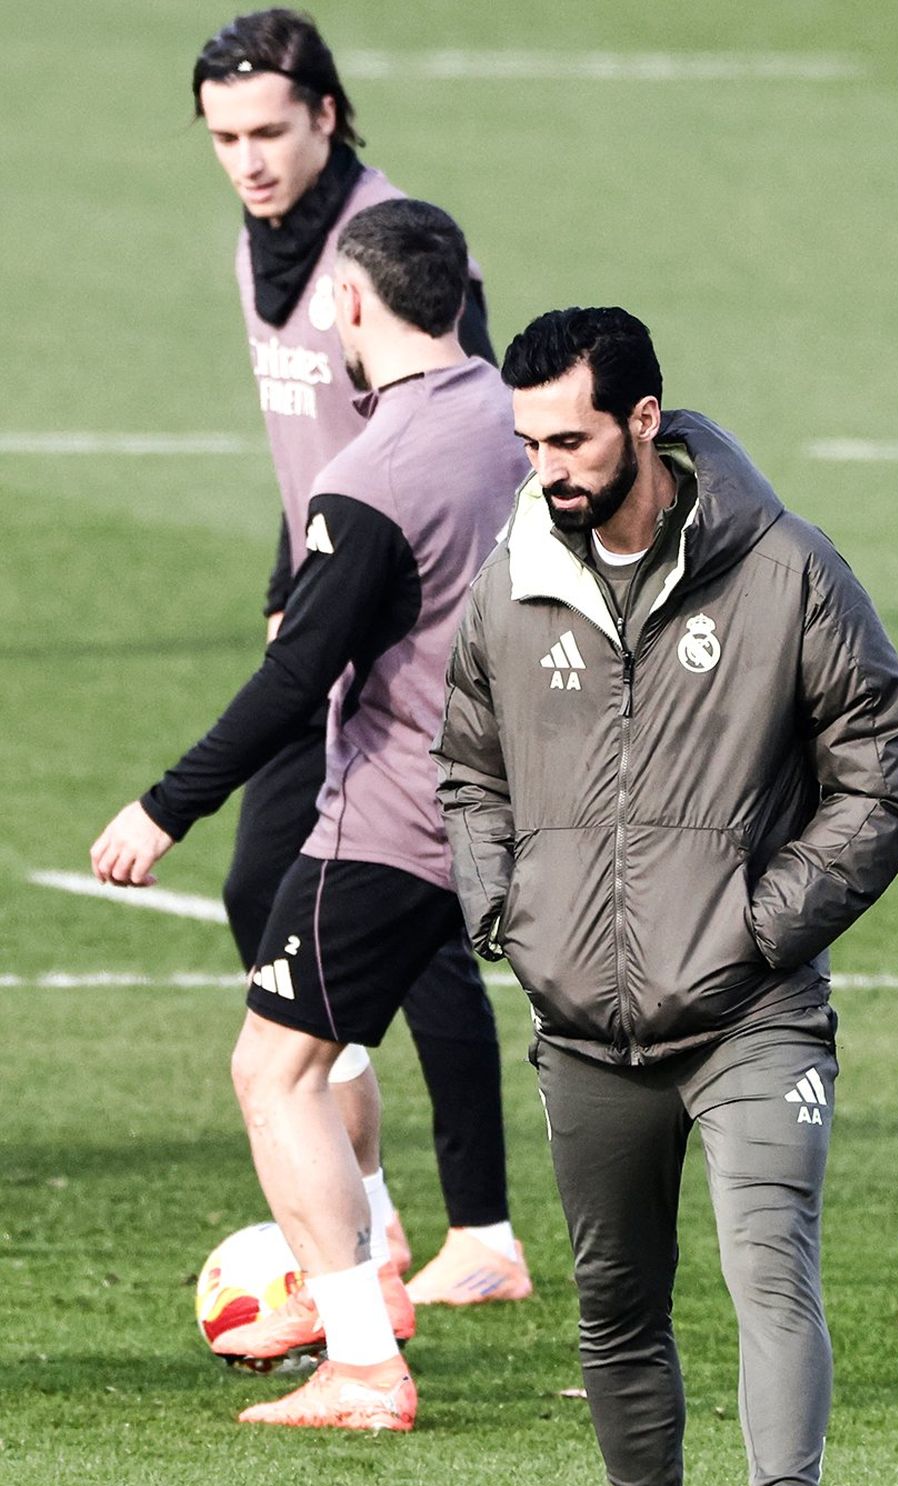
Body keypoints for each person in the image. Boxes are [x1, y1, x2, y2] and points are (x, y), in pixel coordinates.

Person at [433, 307, 898, 1486]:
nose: (546, 469)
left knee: (770, 1272)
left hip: (751, 1018)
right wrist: (504, 906)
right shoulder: (512, 585)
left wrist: (764, 927)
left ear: (644, 421)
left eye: (571, 441)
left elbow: (890, 772)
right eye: (530, 445)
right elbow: (468, 763)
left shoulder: (786, 571)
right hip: (584, 1030)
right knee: (613, 1310)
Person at [91, 199, 531, 1428]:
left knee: (271, 1072)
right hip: (505, 808)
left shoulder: (370, 475)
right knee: (322, 1050)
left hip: (389, 818)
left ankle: (362, 1362)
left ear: (350, 304)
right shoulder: (516, 423)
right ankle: (390, 1269)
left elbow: (297, 678)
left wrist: (165, 806)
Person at [190, 7, 528, 1305]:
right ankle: (376, 1216)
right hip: (326, 611)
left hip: (409, 629)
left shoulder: (392, 250)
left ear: (328, 115)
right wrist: (293, 588)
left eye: (271, 130)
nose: (250, 159)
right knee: (261, 890)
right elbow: (306, 463)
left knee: (411, 914)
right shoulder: (256, 248)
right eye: (226, 137)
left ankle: (481, 1237)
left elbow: (477, 431)